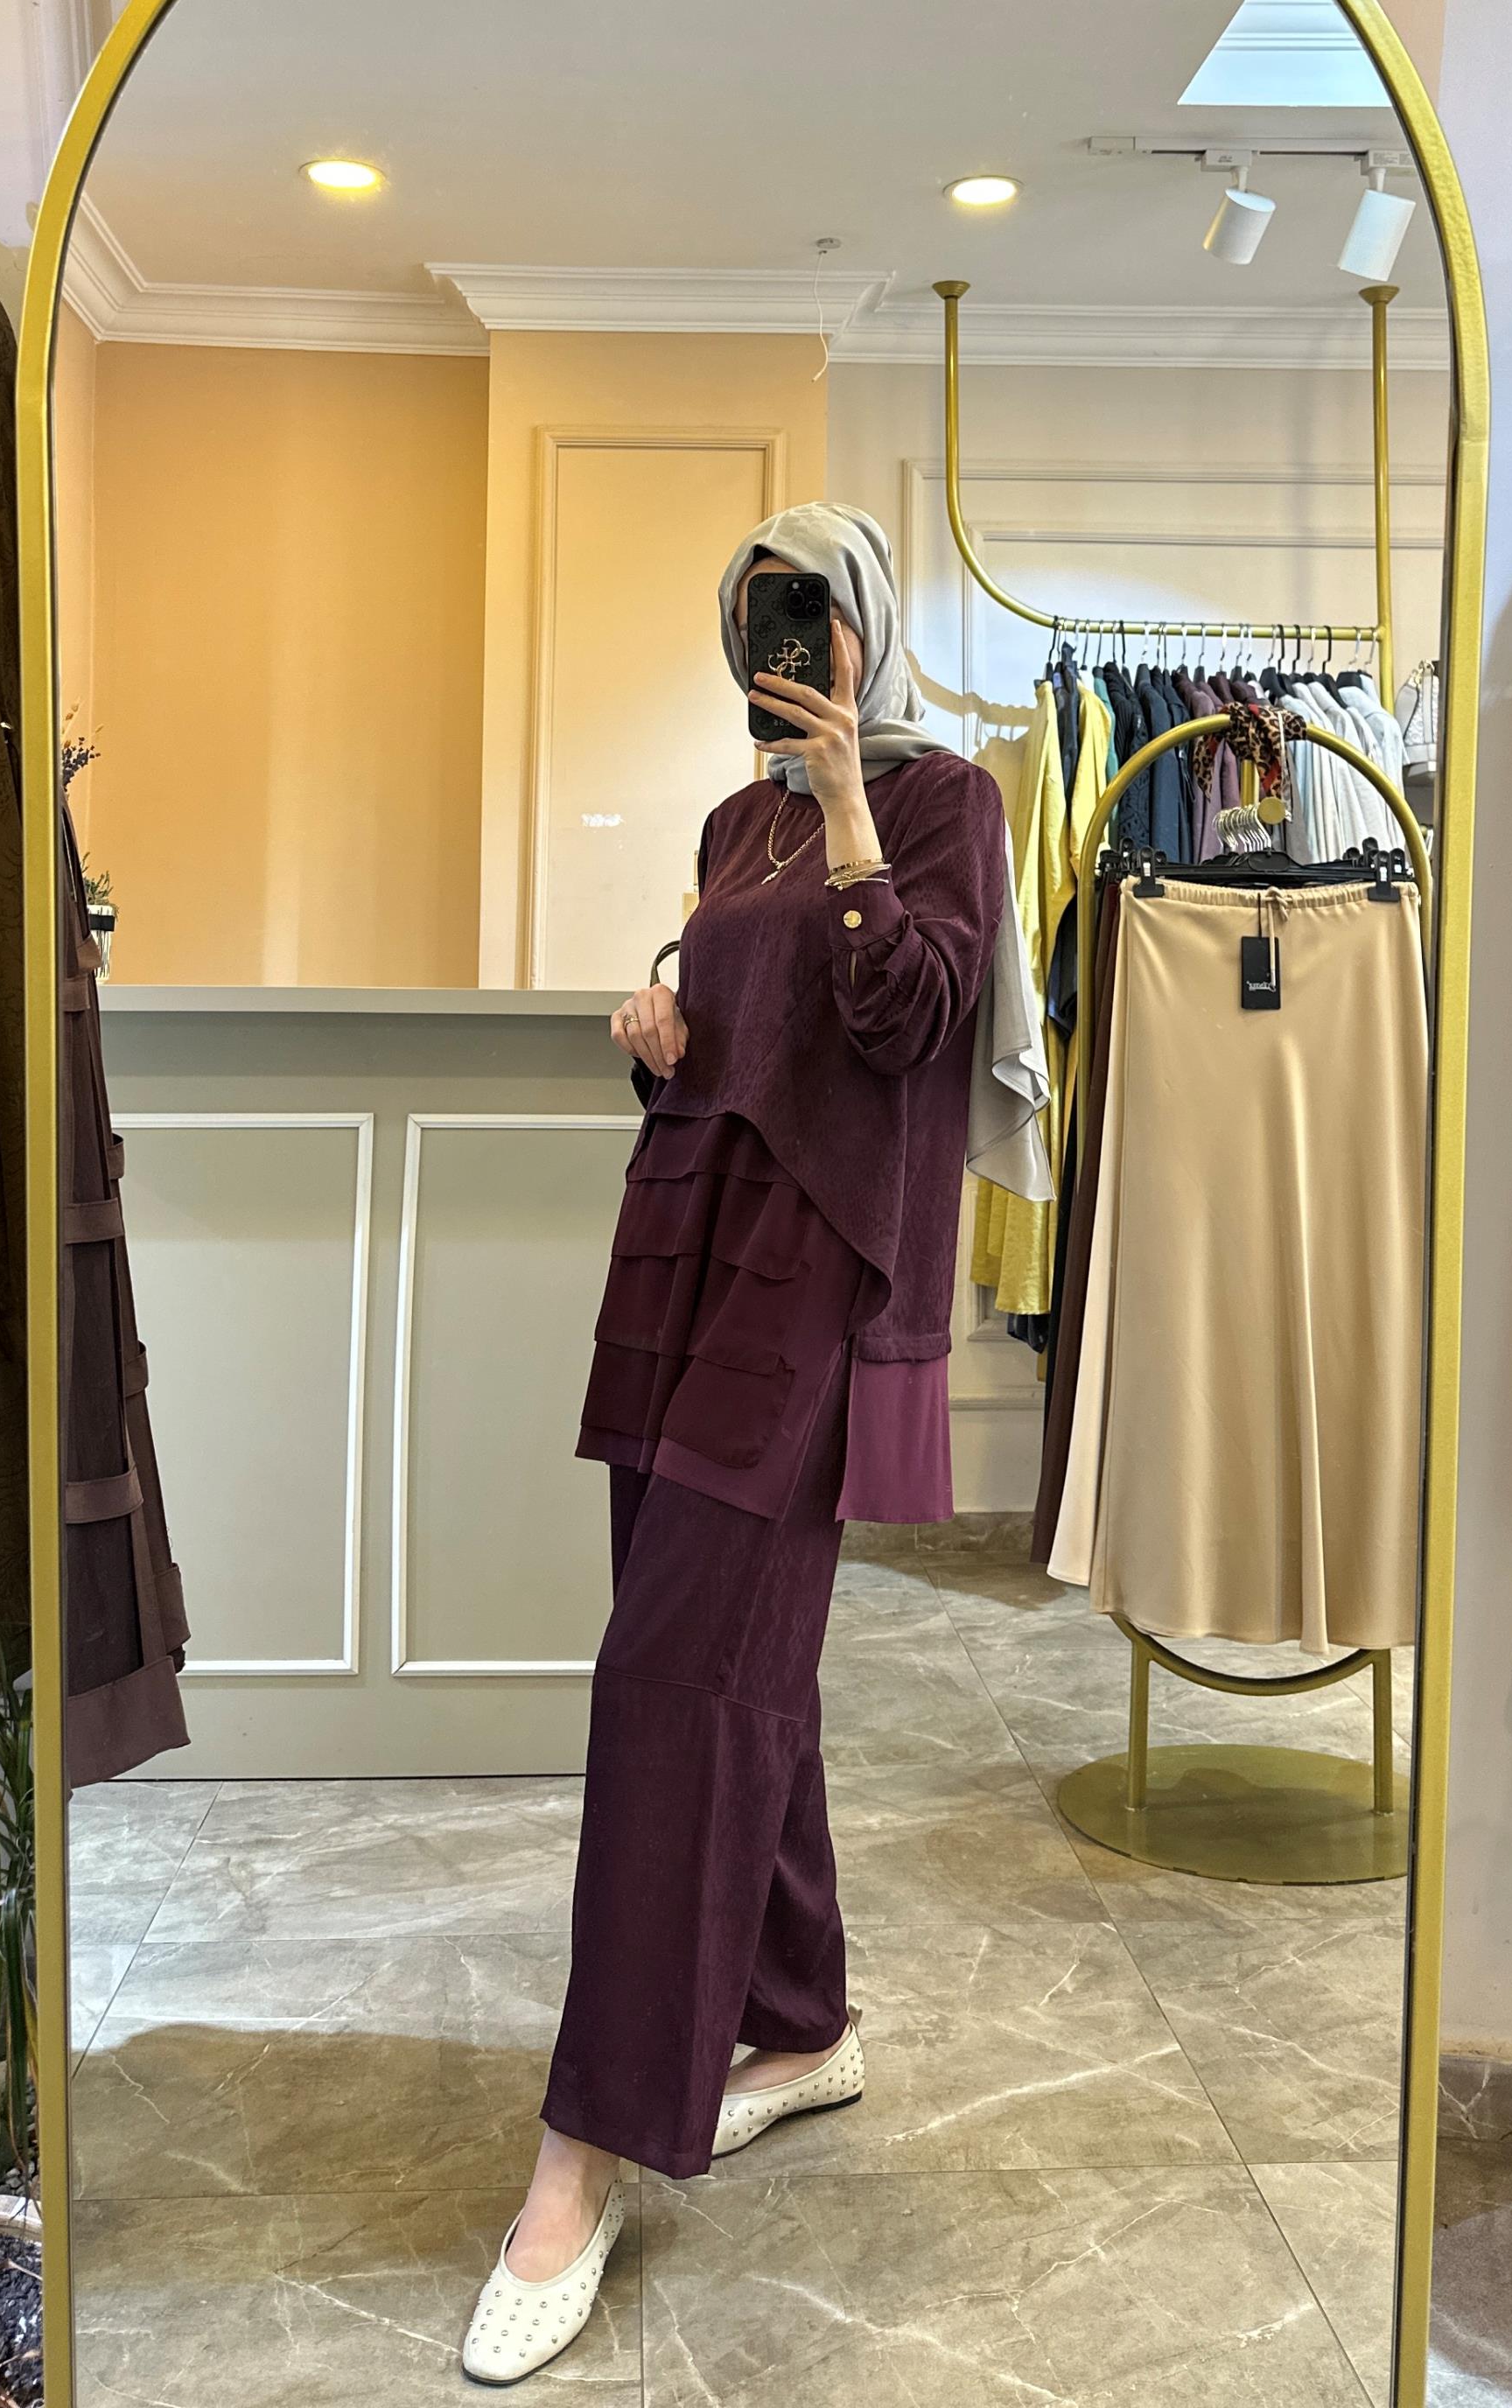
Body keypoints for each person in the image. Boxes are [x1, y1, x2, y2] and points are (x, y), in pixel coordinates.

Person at [463, 502, 1011, 2386]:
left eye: (808, 612)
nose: (781, 647)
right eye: (756, 619)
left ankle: (586, 2149)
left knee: (673, 1681)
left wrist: (853, 801)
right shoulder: (726, 825)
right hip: (682, 1253)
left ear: (866, 625)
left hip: (812, 1280)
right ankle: (804, 2013)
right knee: (726, 1662)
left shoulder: (945, 799)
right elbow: (739, 1038)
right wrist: (658, 1026)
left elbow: (910, 1017)